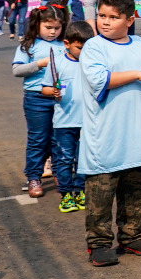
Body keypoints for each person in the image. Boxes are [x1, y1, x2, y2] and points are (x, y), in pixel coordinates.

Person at [76, 0, 141, 266]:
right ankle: (99, 244)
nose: (105, 22)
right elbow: (100, 80)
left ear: (130, 20)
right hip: (106, 137)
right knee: (100, 195)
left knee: (139, 191)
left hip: (139, 134)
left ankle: (131, 235)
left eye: (113, 17)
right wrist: (137, 74)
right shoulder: (93, 47)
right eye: (102, 15)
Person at [12, 6, 66, 200]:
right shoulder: (28, 45)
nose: (53, 32)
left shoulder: (65, 44)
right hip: (36, 98)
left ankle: (60, 174)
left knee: (59, 138)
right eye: (48, 27)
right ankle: (34, 177)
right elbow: (17, 71)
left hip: (61, 97)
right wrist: (40, 64)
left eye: (57, 28)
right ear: (37, 24)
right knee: (38, 139)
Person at [46, 19, 94, 214]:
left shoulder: (92, 62)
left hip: (88, 121)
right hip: (64, 122)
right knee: (65, 159)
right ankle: (66, 194)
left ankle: (80, 190)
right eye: (80, 48)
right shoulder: (57, 62)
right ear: (67, 43)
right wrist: (53, 91)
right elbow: (45, 88)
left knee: (83, 159)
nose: (84, 52)